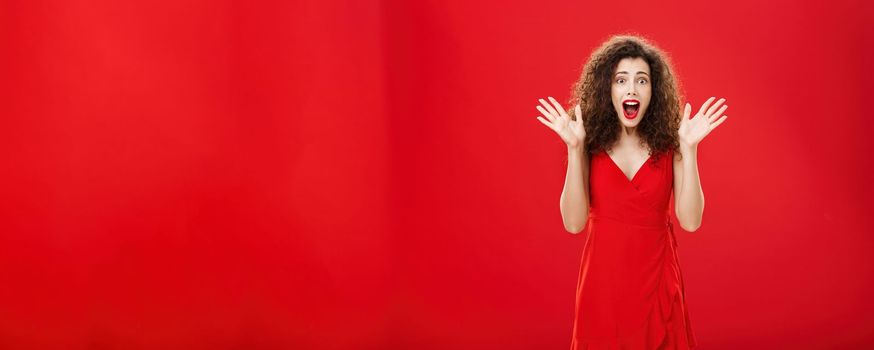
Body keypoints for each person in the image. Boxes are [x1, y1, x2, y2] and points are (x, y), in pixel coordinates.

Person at [535, 34, 728, 349]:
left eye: (642, 81)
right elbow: (573, 223)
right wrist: (574, 149)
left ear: (654, 91)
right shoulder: (589, 144)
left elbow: (691, 221)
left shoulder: (670, 144)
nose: (631, 89)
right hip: (602, 286)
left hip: (657, 283)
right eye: (621, 80)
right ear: (607, 89)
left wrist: (689, 150)